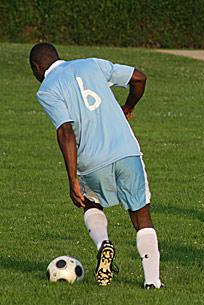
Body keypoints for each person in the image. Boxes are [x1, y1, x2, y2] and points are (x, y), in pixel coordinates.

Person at [29, 43, 163, 288]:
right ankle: (152, 281)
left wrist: (72, 180)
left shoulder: (47, 89)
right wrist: (129, 106)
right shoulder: (91, 63)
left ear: (37, 68)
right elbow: (139, 78)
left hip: (91, 161)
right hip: (126, 152)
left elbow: (66, 131)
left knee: (91, 202)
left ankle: (103, 244)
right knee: (141, 215)